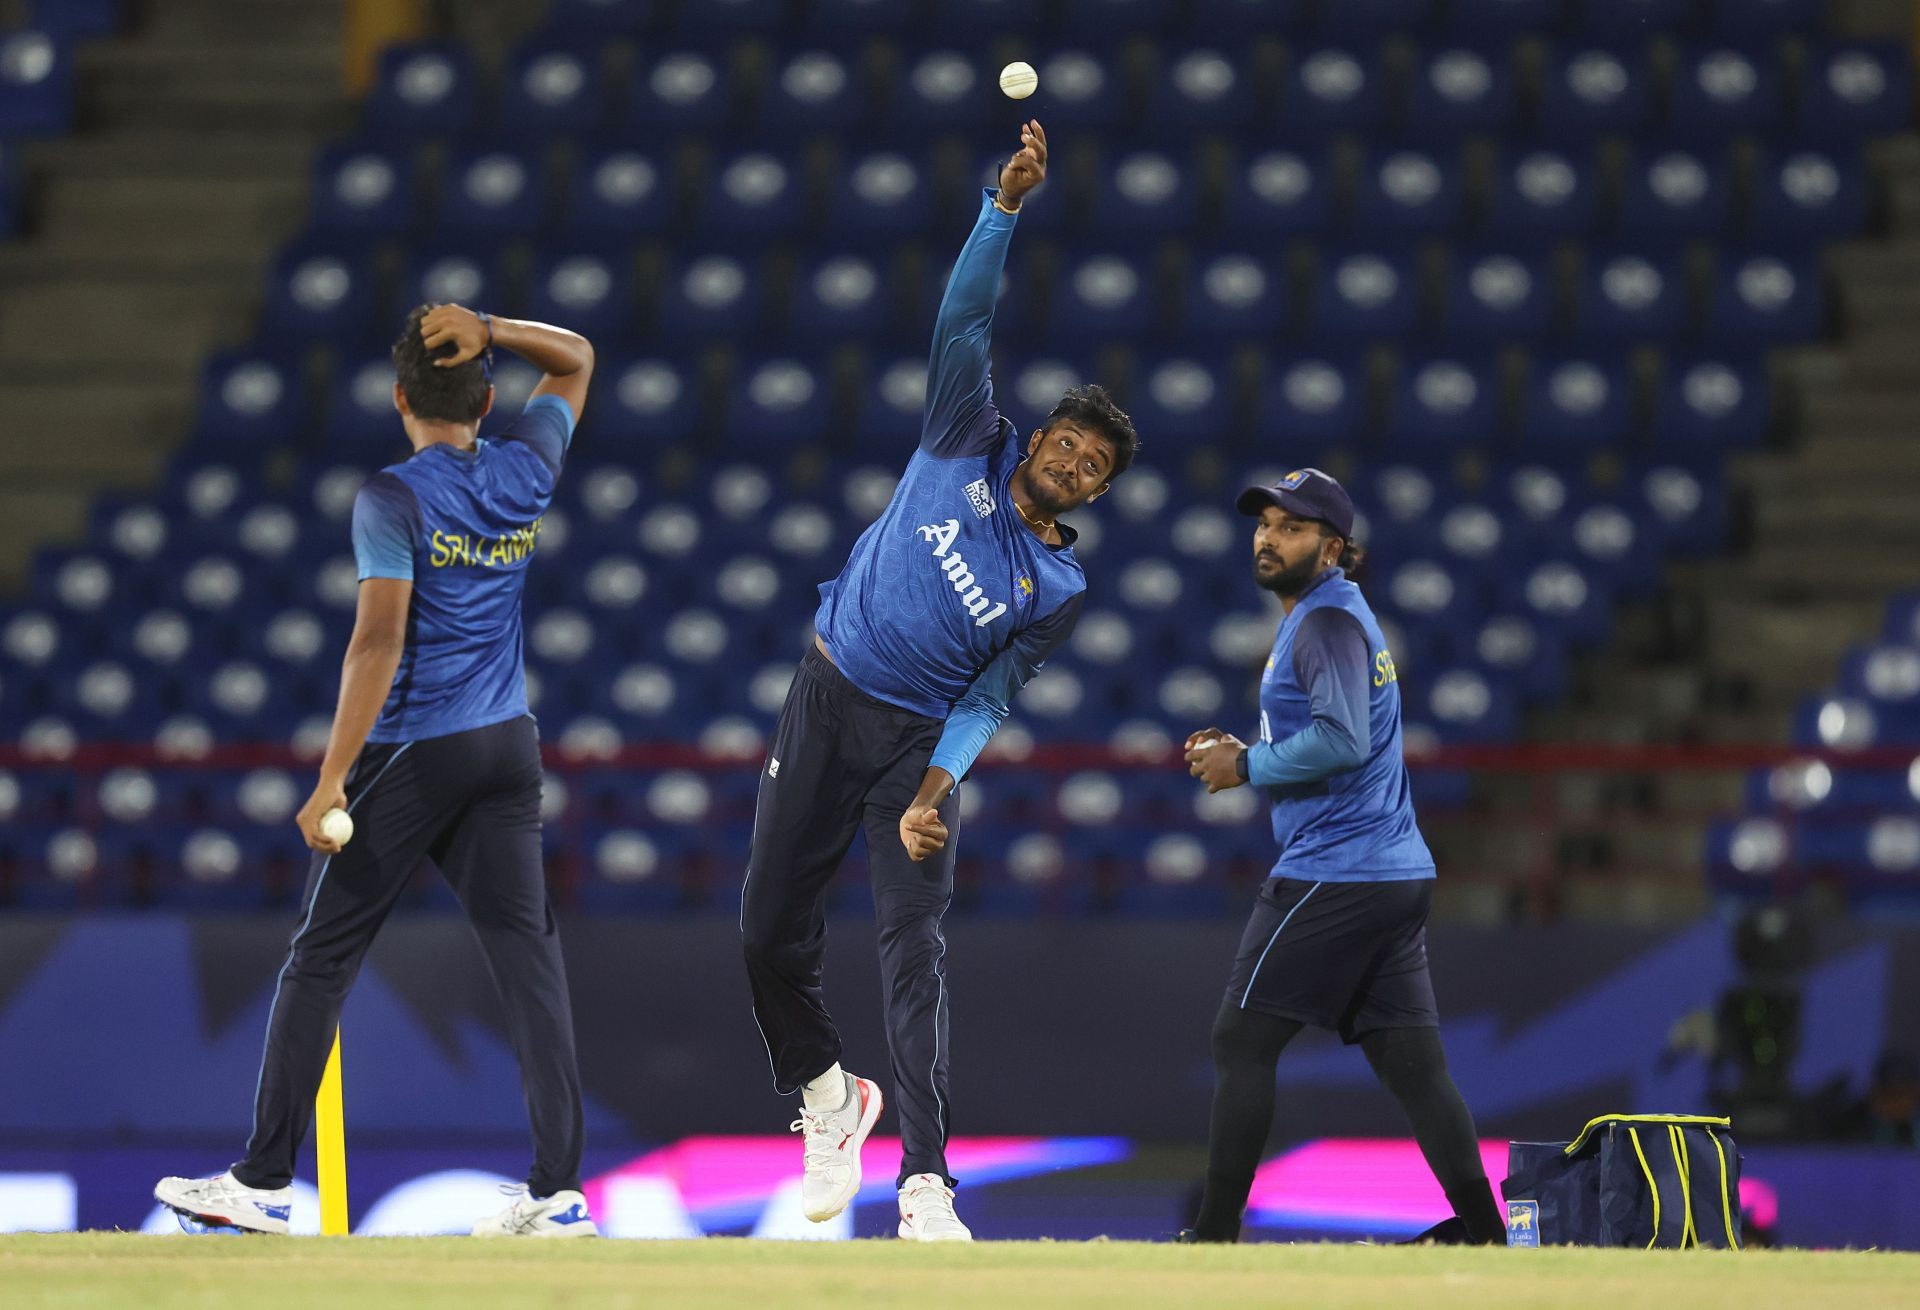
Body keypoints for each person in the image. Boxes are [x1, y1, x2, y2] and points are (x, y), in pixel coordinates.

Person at [740, 119, 1139, 1242]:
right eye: (1067, 442)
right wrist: (1000, 209)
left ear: (1098, 495)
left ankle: (926, 1185)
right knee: (766, 932)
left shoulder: (1056, 589)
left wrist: (937, 784)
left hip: (916, 753)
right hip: (825, 696)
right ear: (1040, 436)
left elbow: (987, 697)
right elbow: (965, 315)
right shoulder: (966, 429)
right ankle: (828, 1095)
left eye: (1093, 467)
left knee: (914, 954)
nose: (1070, 461)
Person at [154, 305, 599, 1238]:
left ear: (400, 399)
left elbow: (378, 641)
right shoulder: (524, 466)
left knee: (321, 960)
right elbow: (576, 358)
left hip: (415, 753)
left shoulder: (391, 498)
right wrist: (489, 324)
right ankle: (558, 1195)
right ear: (486, 396)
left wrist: (330, 780)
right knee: (530, 964)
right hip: (508, 745)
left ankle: (264, 1180)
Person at [1176, 467, 1505, 1246]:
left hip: (1338, 870)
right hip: (1391, 873)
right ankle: (1491, 1236)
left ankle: (1215, 1238)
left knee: (1241, 1040)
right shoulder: (1327, 617)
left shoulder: (1326, 622)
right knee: (1414, 1066)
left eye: (1290, 528)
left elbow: (1342, 740)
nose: (1267, 537)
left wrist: (1247, 766)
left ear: (1334, 549)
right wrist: (1245, 748)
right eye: (1263, 523)